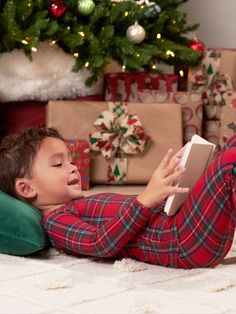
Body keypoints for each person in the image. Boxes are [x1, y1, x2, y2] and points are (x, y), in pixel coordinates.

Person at [0, 127, 235, 269]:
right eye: (58, 164)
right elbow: (99, 244)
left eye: (70, 161)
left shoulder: (77, 204)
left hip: (180, 224)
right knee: (229, 164)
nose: (72, 168)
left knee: (231, 145)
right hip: (181, 242)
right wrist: (145, 199)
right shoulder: (55, 222)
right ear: (27, 189)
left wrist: (175, 181)